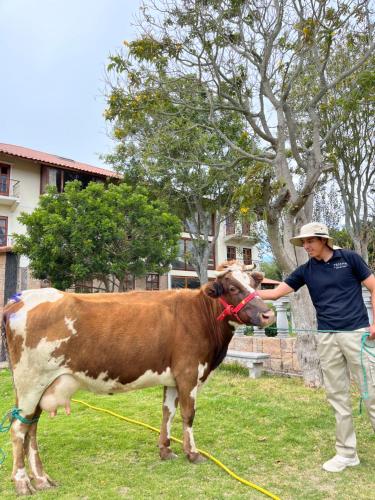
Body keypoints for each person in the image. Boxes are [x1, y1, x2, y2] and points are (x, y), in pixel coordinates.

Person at [258, 222, 375, 472]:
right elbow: (277, 293)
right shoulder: (305, 271)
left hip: (356, 334)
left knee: (372, 393)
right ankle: (346, 454)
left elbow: (374, 287)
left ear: (323, 240)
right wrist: (243, 291)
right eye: (303, 243)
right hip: (326, 336)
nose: (306, 246)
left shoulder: (350, 259)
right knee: (337, 396)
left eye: (310, 241)